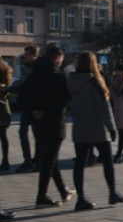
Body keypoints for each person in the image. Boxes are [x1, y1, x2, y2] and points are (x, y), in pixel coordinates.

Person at [67, 52, 123, 210]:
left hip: (80, 127)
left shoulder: (71, 81)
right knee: (107, 161)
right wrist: (112, 128)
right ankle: (112, 193)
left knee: (80, 163)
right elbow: (104, 107)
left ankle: (80, 198)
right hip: (98, 128)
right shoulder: (93, 82)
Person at [20, 46, 73, 207]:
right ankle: (41, 196)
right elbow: (64, 101)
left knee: (49, 156)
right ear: (57, 58)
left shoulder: (32, 76)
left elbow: (23, 98)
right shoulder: (58, 77)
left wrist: (33, 112)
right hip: (54, 122)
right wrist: (47, 111)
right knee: (49, 160)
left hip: (37, 123)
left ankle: (63, 190)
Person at [16, 45, 38, 172]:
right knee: (22, 132)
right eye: (25, 54)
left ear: (34, 55)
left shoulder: (38, 68)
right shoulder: (23, 67)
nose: (26, 57)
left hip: (36, 105)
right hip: (26, 106)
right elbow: (20, 84)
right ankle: (27, 159)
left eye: (28, 54)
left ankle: (37, 159)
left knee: (37, 134)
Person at [0, 58, 12, 171]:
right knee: (3, 136)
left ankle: (5, 161)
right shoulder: (5, 70)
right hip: (4, 109)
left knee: (3, 136)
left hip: (2, 109)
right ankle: (5, 161)